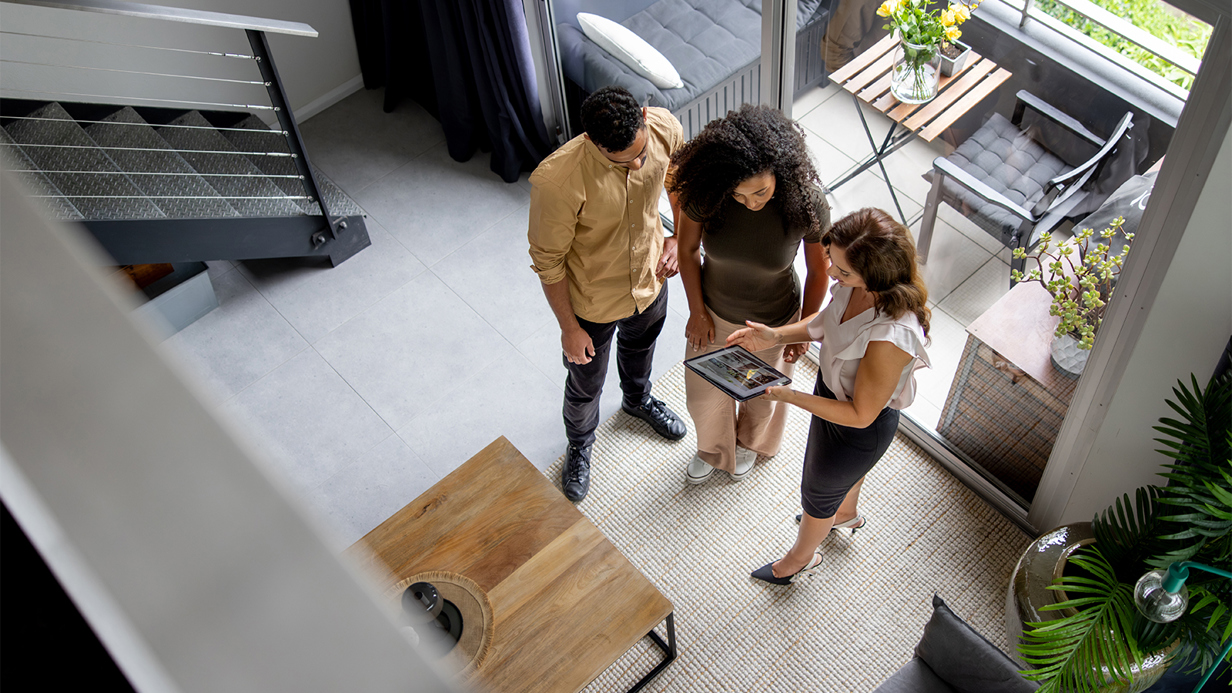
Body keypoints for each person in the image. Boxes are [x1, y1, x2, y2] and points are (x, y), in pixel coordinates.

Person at [727, 208, 932, 585]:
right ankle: (845, 515)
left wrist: (789, 396)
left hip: (858, 426)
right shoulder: (856, 286)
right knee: (837, 486)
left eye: (843, 272)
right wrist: (777, 335)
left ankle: (799, 559)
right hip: (831, 395)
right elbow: (824, 324)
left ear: (877, 273)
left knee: (816, 491)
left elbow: (860, 414)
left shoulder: (892, 335)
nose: (833, 276)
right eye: (833, 265)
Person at [528, 86, 688, 503]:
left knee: (642, 350)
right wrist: (568, 328)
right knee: (585, 385)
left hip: (651, 282)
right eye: (625, 161)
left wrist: (677, 238)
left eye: (641, 153)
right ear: (593, 143)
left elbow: (679, 179)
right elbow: (549, 262)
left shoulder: (664, 126)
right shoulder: (557, 182)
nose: (639, 163)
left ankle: (638, 401)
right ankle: (579, 444)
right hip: (592, 304)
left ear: (642, 114)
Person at [667, 104, 830, 484]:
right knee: (704, 395)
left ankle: (750, 445)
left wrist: (803, 329)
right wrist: (697, 311)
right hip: (713, 311)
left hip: (774, 320)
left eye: (759, 192)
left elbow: (820, 270)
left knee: (761, 395)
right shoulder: (707, 194)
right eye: (740, 196)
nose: (751, 202)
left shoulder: (806, 203)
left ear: (780, 170)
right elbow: (688, 250)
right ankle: (712, 449)